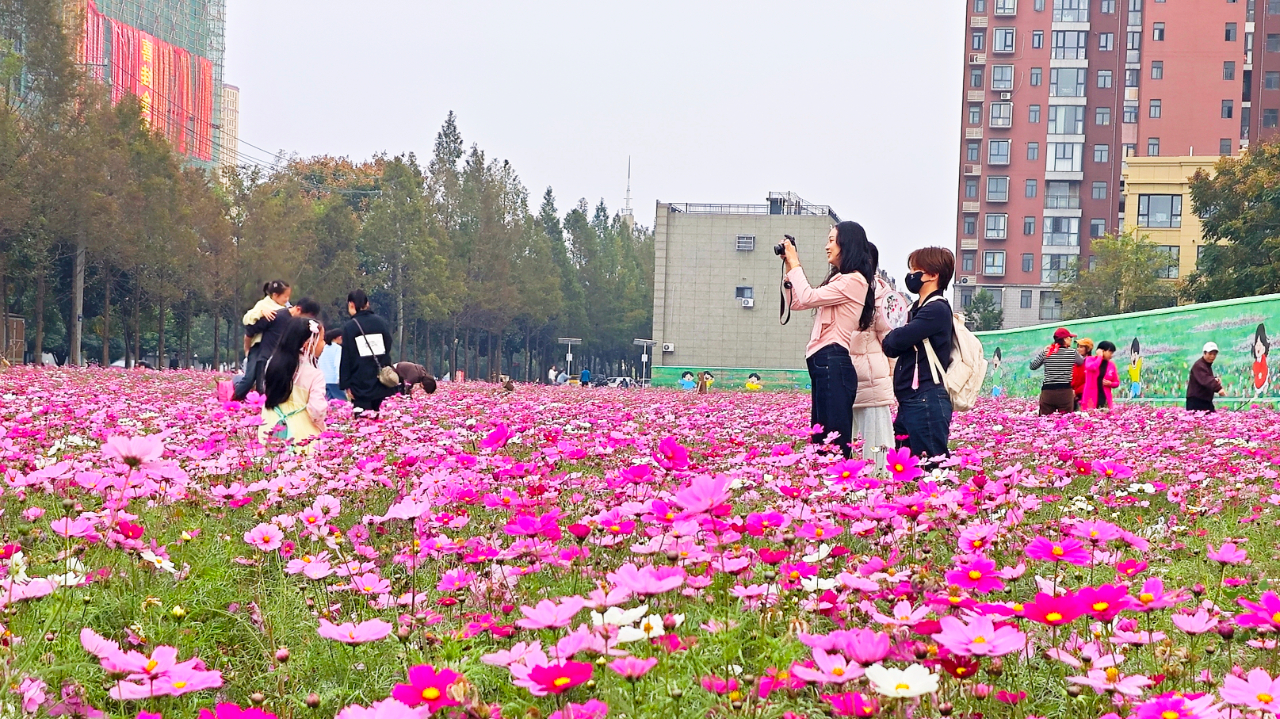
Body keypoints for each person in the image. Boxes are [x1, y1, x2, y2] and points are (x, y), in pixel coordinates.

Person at [782, 220, 877, 459]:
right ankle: (825, 476)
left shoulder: (853, 280)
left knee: (833, 437)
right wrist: (789, 269)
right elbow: (797, 302)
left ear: (847, 244)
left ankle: (838, 476)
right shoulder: (841, 280)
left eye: (832, 241)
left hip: (833, 359)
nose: (827, 246)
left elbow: (808, 296)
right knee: (821, 433)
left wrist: (795, 262)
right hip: (824, 360)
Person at [883, 247, 955, 461]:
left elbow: (895, 340)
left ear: (933, 275)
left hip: (926, 397)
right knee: (906, 465)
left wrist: (896, 336)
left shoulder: (936, 309)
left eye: (916, 270)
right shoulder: (915, 309)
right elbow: (891, 346)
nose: (911, 276)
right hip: (910, 399)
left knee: (931, 464)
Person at [850, 261, 895, 468]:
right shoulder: (839, 288)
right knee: (841, 449)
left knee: (878, 447)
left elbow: (891, 344)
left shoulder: (880, 297)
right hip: (845, 378)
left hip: (872, 380)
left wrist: (891, 379)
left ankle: (881, 481)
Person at [258, 316, 327, 445]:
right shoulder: (314, 374)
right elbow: (317, 410)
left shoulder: (272, 364)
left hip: (270, 426)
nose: (324, 344)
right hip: (302, 432)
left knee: (271, 456)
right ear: (308, 344)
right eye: (322, 340)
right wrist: (321, 427)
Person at [339, 289, 396, 419]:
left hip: (360, 382)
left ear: (351, 305)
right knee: (380, 420)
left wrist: (346, 384)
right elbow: (388, 344)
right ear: (367, 303)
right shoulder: (380, 322)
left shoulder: (350, 327)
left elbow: (346, 357)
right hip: (380, 379)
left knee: (363, 421)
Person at [232, 281, 291, 401]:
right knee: (249, 378)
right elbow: (247, 319)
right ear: (275, 295)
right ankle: (234, 400)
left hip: (273, 348)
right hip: (258, 347)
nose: (287, 299)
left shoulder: (286, 309)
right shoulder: (263, 304)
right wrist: (261, 313)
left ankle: (261, 402)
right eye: (285, 296)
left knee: (263, 379)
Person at [1030, 328, 1084, 415]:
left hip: (1048, 392)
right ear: (1065, 339)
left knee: (1045, 419)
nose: (1071, 340)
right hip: (1065, 392)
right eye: (1070, 338)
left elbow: (1033, 366)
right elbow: (1081, 361)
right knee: (1066, 419)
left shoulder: (1047, 352)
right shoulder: (1072, 352)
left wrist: (1043, 352)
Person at [1187, 342, 1227, 411]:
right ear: (1204, 353)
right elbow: (1206, 380)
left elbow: (1206, 378)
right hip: (1197, 402)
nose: (1212, 356)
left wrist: (1214, 379)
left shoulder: (1206, 365)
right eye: (1210, 354)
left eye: (1214, 354)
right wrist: (1219, 388)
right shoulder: (1199, 365)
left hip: (1205, 401)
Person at [1081, 340, 1120, 411]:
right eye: (1110, 352)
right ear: (1102, 351)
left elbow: (1116, 382)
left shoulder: (1111, 365)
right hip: (1091, 397)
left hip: (1105, 397)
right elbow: (1093, 367)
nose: (1111, 355)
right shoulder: (1090, 359)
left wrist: (1110, 383)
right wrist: (1100, 357)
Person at [319, 329, 345, 401]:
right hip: (334, 380)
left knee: (327, 402)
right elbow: (337, 364)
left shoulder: (324, 347)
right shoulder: (338, 348)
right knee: (340, 403)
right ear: (339, 337)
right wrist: (339, 378)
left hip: (323, 379)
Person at [1071, 338, 1094, 411]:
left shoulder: (1091, 362)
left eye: (1081, 347)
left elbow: (1090, 381)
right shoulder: (1074, 362)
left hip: (1084, 395)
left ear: (1088, 349)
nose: (1078, 349)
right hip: (1072, 395)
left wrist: (1076, 392)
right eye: (1078, 347)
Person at [1253, 323, 1270, 396]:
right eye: (1257, 345)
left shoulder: (1263, 360)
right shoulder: (1257, 361)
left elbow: (1264, 369)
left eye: (1260, 345)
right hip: (1258, 380)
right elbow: (1255, 369)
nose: (1258, 347)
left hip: (1263, 378)